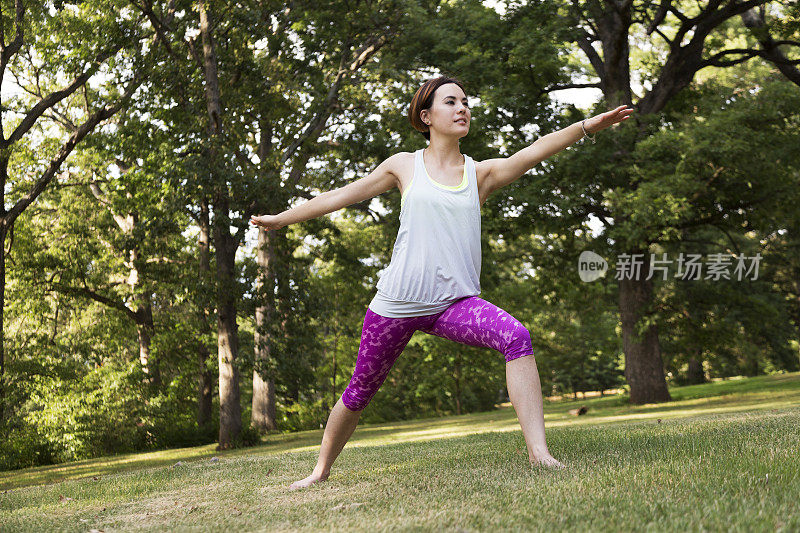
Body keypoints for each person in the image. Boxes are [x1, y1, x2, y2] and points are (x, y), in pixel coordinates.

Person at [250, 76, 633, 490]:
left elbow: (533, 151)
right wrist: (280, 219)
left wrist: (588, 126)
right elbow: (339, 197)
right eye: (451, 102)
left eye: (466, 101)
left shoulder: (479, 173)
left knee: (516, 336)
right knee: (361, 390)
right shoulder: (404, 165)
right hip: (396, 304)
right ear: (426, 116)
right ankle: (320, 471)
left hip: (454, 305)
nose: (462, 108)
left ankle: (539, 454)